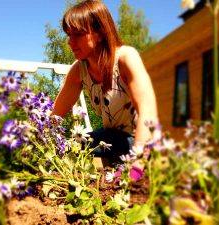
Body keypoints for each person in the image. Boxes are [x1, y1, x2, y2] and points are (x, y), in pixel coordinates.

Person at [52, 0, 158, 163]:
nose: (70, 42)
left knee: (87, 145)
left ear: (100, 32)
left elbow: (148, 113)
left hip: (140, 141)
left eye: (78, 34)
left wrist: (138, 164)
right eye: (69, 35)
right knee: (70, 145)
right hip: (111, 139)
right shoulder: (79, 70)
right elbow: (55, 116)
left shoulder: (125, 58)